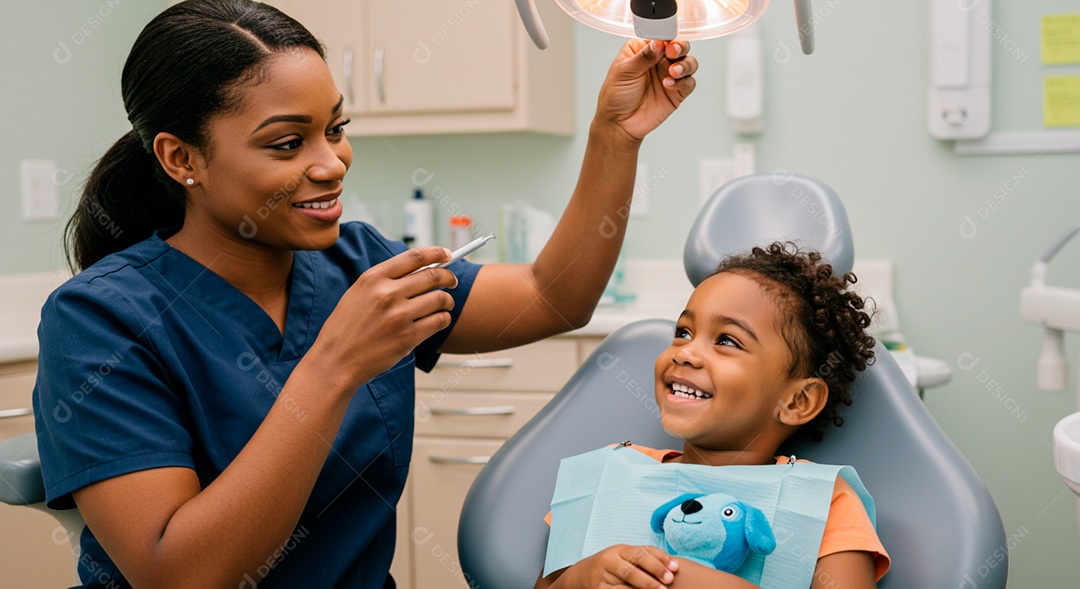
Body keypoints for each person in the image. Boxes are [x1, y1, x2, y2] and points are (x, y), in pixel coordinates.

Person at [32, 1, 698, 587]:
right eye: (289, 142)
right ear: (183, 159)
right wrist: (335, 363)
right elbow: (184, 574)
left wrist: (617, 136)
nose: (332, 162)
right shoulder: (100, 319)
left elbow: (553, 296)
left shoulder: (356, 261)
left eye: (336, 129)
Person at [535, 242, 890, 589]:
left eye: (727, 341)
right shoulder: (607, 475)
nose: (686, 352)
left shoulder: (825, 501)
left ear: (798, 401)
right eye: (682, 332)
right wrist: (580, 578)